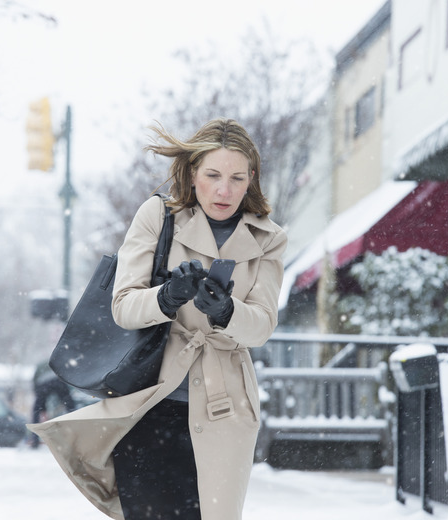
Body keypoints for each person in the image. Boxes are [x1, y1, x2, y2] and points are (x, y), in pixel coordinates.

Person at [28, 118, 287, 520]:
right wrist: (166, 297)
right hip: (149, 403)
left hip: (224, 410)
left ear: (251, 179)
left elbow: (263, 325)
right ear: (192, 173)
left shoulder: (269, 238)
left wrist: (226, 312)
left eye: (237, 178)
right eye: (213, 175)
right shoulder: (158, 215)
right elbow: (124, 307)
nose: (224, 190)